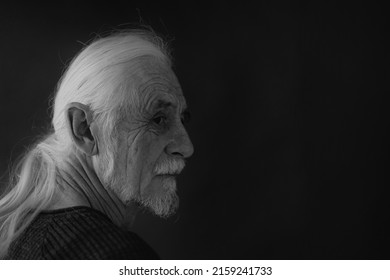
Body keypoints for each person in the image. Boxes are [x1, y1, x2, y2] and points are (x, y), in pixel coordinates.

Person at [0, 29, 194, 259]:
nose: (186, 147)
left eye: (182, 119)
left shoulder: (27, 237)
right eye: (158, 119)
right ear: (84, 130)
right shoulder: (114, 256)